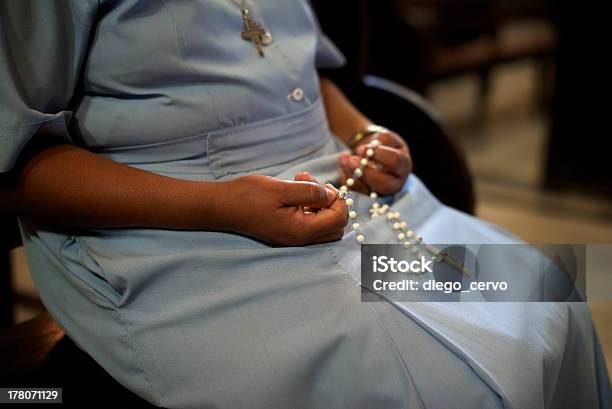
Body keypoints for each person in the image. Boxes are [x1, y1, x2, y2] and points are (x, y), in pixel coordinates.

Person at [0, 1, 609, 408]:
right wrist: (222, 207)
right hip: (178, 226)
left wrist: (365, 132)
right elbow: (13, 163)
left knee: (550, 286)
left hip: (344, 192)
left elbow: (297, 68)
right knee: (431, 384)